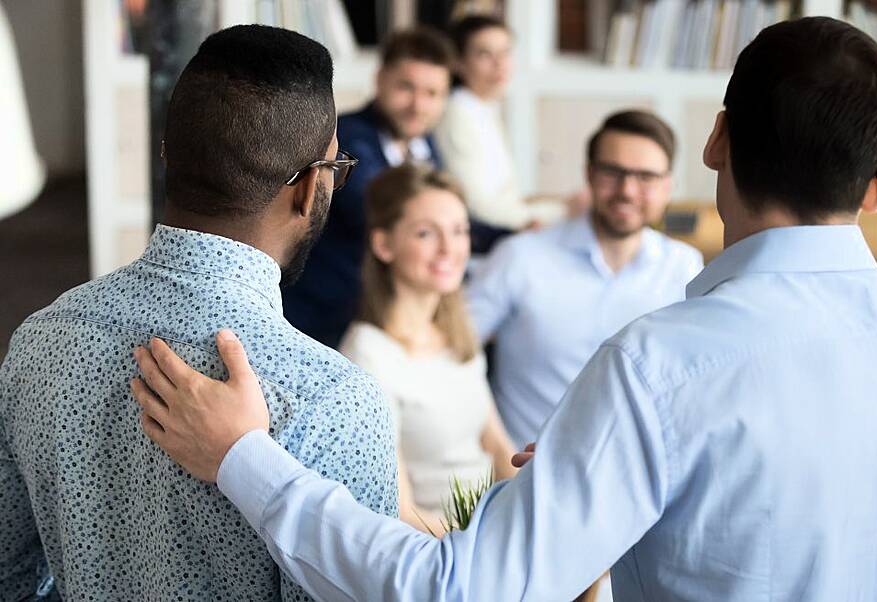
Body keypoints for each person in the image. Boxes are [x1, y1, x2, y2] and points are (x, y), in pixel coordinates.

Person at [132, 17, 877, 601]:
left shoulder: (664, 364)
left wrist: (245, 456)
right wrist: (639, 482)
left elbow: (454, 591)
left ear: (714, 141)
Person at [0, 25, 398, 600]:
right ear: (311, 187)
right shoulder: (332, 401)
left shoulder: (40, 340)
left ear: (168, 155)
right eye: (337, 169)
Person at [466, 109, 703, 445]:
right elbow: (450, 352)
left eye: (646, 177)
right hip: (527, 474)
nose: (628, 191)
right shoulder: (521, 257)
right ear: (589, 175)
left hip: (643, 478)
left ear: (668, 187)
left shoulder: (684, 268)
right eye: (613, 172)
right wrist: (494, 446)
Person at [281, 28, 508, 349]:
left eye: (432, 94)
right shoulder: (344, 137)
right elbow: (398, 213)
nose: (418, 105)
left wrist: (514, 234)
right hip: (325, 322)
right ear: (379, 79)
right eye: (406, 88)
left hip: (385, 318)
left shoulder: (424, 144)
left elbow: (438, 214)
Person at [339, 164, 516, 533]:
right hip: (439, 555)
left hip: (491, 529)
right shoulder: (368, 356)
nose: (449, 249)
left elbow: (497, 446)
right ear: (384, 245)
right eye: (425, 233)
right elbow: (400, 512)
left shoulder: (457, 333)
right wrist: (488, 549)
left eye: (459, 231)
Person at [434, 14, 564, 231]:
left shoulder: (484, 107)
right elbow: (479, 209)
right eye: (485, 54)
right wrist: (563, 211)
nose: (499, 64)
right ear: (458, 62)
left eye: (505, 52)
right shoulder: (456, 114)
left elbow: (506, 198)